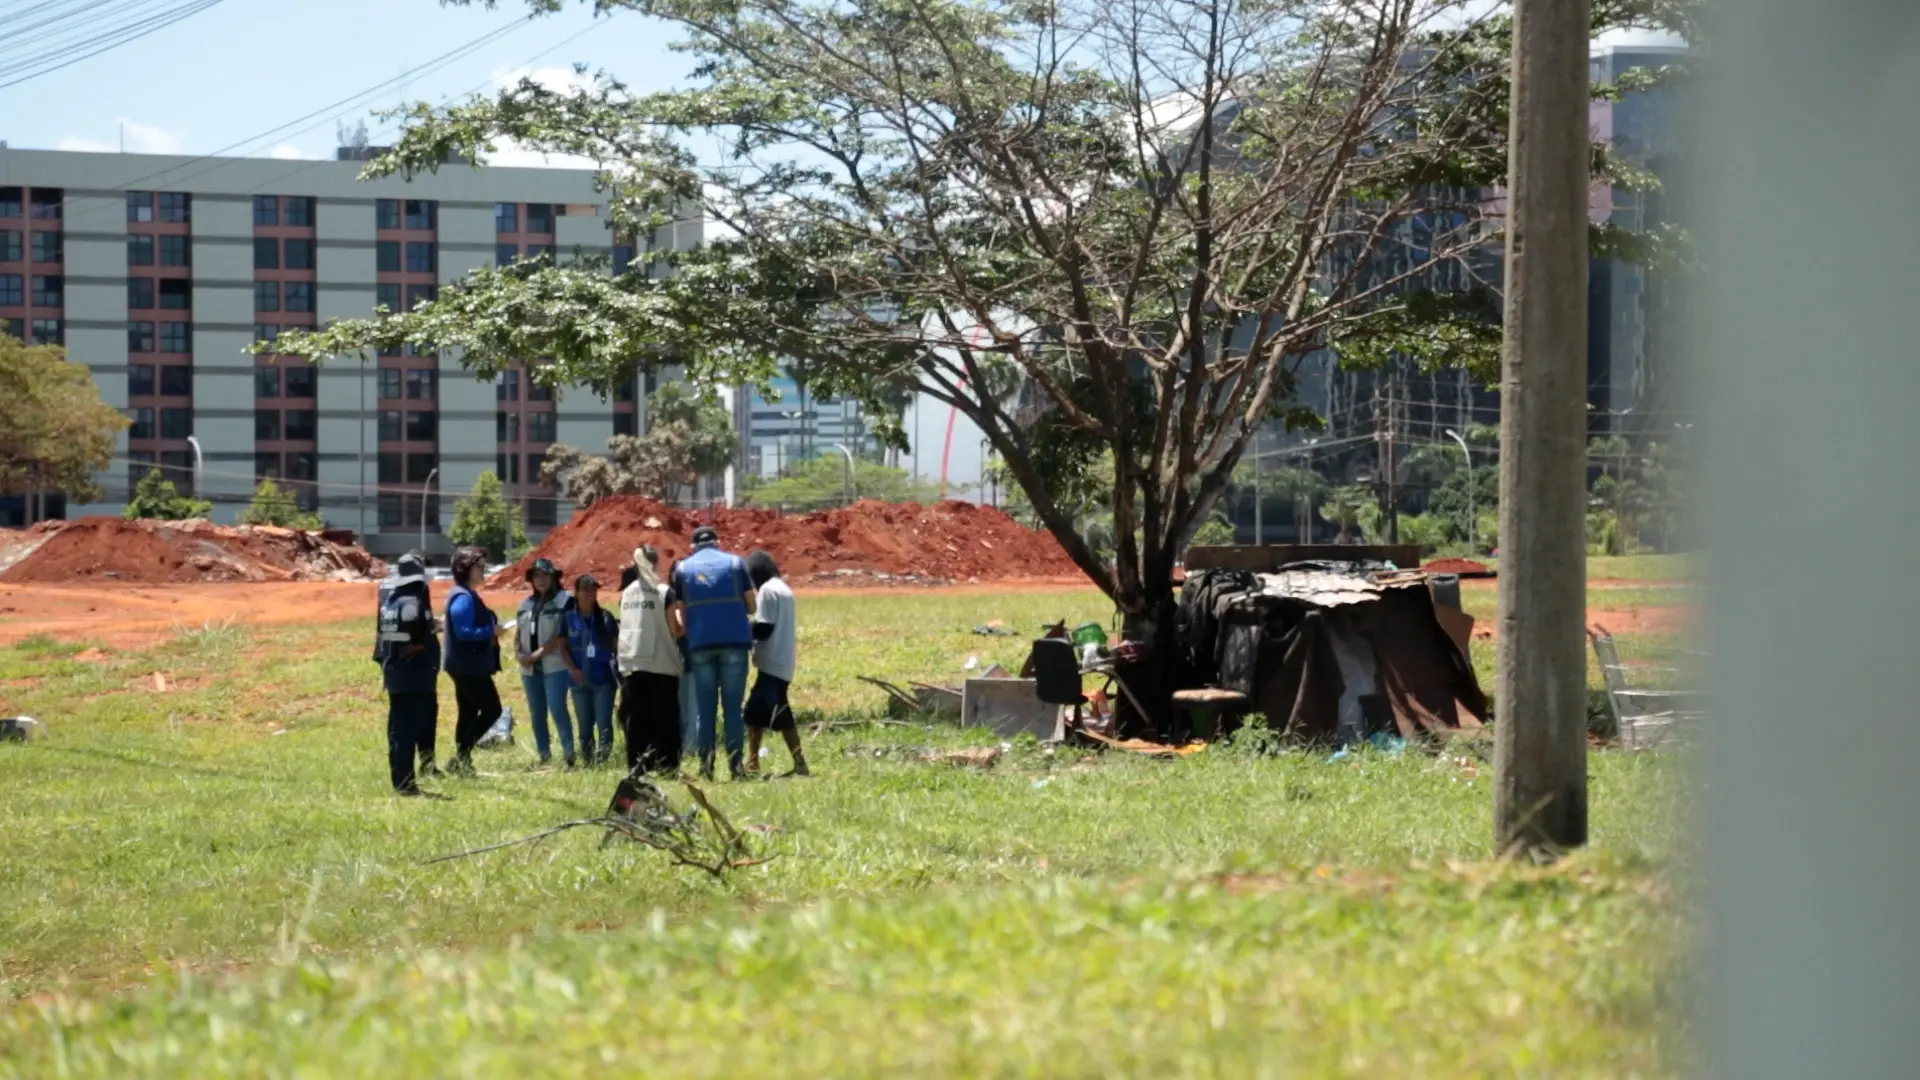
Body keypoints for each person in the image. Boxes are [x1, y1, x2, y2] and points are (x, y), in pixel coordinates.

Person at [669, 525, 757, 780]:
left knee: (705, 709)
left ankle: (706, 766)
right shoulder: (735, 564)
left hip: (700, 647)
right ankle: (736, 767)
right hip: (734, 644)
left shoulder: (683, 569)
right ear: (717, 543)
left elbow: (682, 615)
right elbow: (752, 605)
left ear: (693, 546)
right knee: (732, 708)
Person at [376, 551, 440, 796]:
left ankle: (402, 780)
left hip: (396, 673)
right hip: (413, 675)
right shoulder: (412, 601)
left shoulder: (390, 600)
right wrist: (421, 642)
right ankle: (405, 784)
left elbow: (387, 633)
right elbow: (411, 621)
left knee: (397, 729)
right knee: (405, 730)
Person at [616, 545, 684, 775]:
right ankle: (667, 765)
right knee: (665, 718)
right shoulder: (664, 591)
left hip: (633, 663)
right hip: (661, 661)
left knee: (638, 720)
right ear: (656, 564)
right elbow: (674, 627)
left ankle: (638, 766)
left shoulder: (626, 593)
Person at [745, 550, 809, 777]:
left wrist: (742, 630)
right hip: (781, 661)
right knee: (753, 714)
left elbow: (764, 628)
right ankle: (752, 763)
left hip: (772, 662)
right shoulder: (784, 590)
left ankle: (800, 763)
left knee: (781, 714)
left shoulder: (768, 591)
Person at [443, 546, 504, 774]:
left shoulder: (463, 593)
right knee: (492, 709)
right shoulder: (463, 597)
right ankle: (462, 754)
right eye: (479, 566)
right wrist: (490, 631)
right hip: (468, 665)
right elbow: (463, 631)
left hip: (462, 664)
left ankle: (462, 761)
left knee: (467, 711)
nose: (483, 570)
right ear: (465, 568)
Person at [515, 558, 580, 768]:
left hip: (555, 665)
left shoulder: (564, 601)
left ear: (553, 577)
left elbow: (560, 636)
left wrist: (537, 654)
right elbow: (518, 633)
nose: (540, 580)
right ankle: (544, 755)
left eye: (544, 575)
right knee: (537, 712)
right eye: (536, 576)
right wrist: (520, 654)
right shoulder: (525, 604)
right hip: (529, 667)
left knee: (557, 708)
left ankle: (569, 756)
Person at [565, 574, 620, 766]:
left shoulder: (606, 618)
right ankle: (587, 760)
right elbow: (561, 645)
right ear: (576, 593)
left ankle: (602, 759)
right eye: (584, 590)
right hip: (578, 681)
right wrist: (572, 669)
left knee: (604, 722)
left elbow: (616, 646)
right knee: (584, 725)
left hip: (603, 680)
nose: (589, 594)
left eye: (592, 590)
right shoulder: (568, 618)